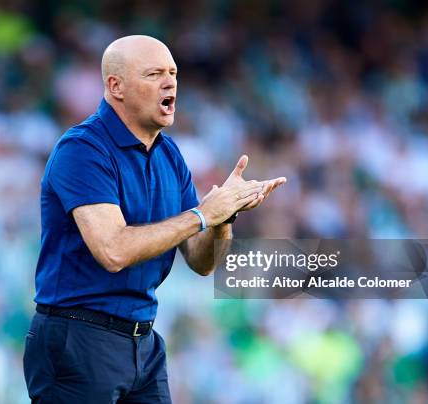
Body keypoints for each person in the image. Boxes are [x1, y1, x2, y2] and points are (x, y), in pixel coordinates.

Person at [23, 34, 286, 403]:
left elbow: (201, 261)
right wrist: (201, 215)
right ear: (116, 86)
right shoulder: (82, 149)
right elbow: (112, 250)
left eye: (173, 73)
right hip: (78, 340)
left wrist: (224, 217)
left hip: (143, 343)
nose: (170, 82)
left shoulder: (170, 155)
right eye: (154, 74)